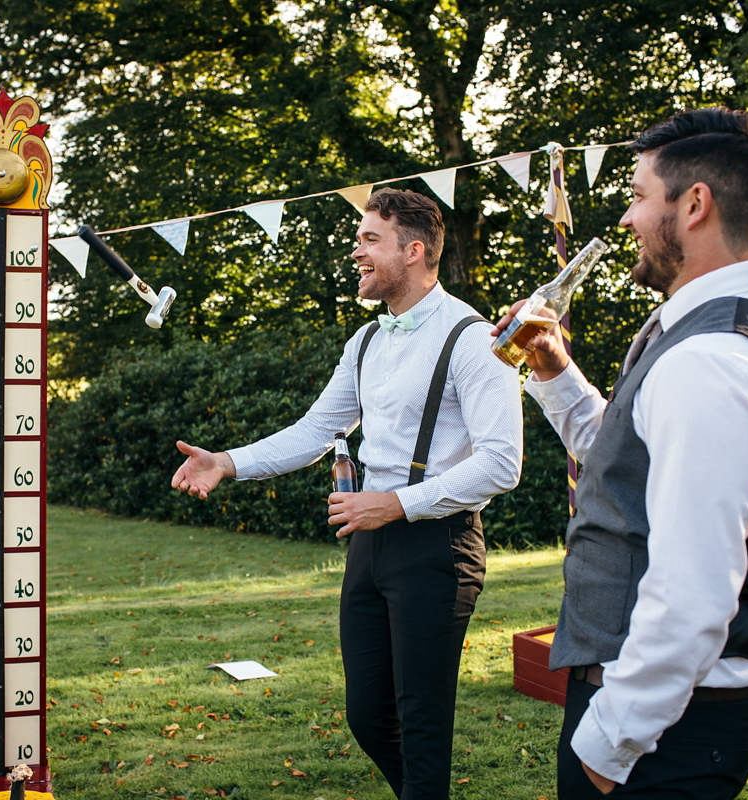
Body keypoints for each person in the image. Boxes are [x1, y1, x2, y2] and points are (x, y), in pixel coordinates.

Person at [493, 108, 748, 798]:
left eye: (639, 196)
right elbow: (632, 458)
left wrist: (610, 743)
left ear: (694, 204)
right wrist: (551, 367)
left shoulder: (711, 360)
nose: (629, 219)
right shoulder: (725, 322)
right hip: (674, 713)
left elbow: (692, 593)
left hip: (663, 729)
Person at [172, 187, 523, 799]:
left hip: (438, 545)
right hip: (370, 547)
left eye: (369, 240)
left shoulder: (472, 338)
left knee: (422, 725)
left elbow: (502, 463)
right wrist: (227, 462)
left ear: (413, 251)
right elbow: (315, 430)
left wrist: (396, 503)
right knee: (368, 717)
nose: (355, 252)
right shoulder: (365, 342)